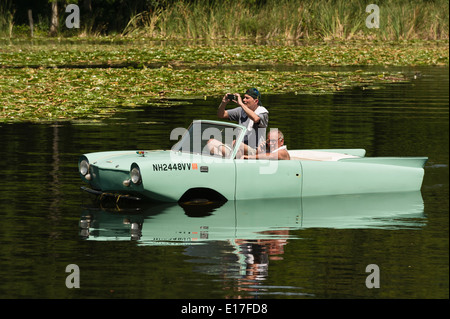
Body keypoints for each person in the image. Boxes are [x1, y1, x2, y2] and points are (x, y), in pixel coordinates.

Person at [217, 88, 268, 155]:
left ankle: (231, 160)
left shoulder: (263, 112)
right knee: (211, 143)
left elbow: (256, 119)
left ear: (256, 101)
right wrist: (223, 103)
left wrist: (241, 104)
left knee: (238, 145)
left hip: (256, 151)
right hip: (238, 147)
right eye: (244, 98)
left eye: (247, 98)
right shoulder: (241, 111)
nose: (244, 100)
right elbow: (221, 115)